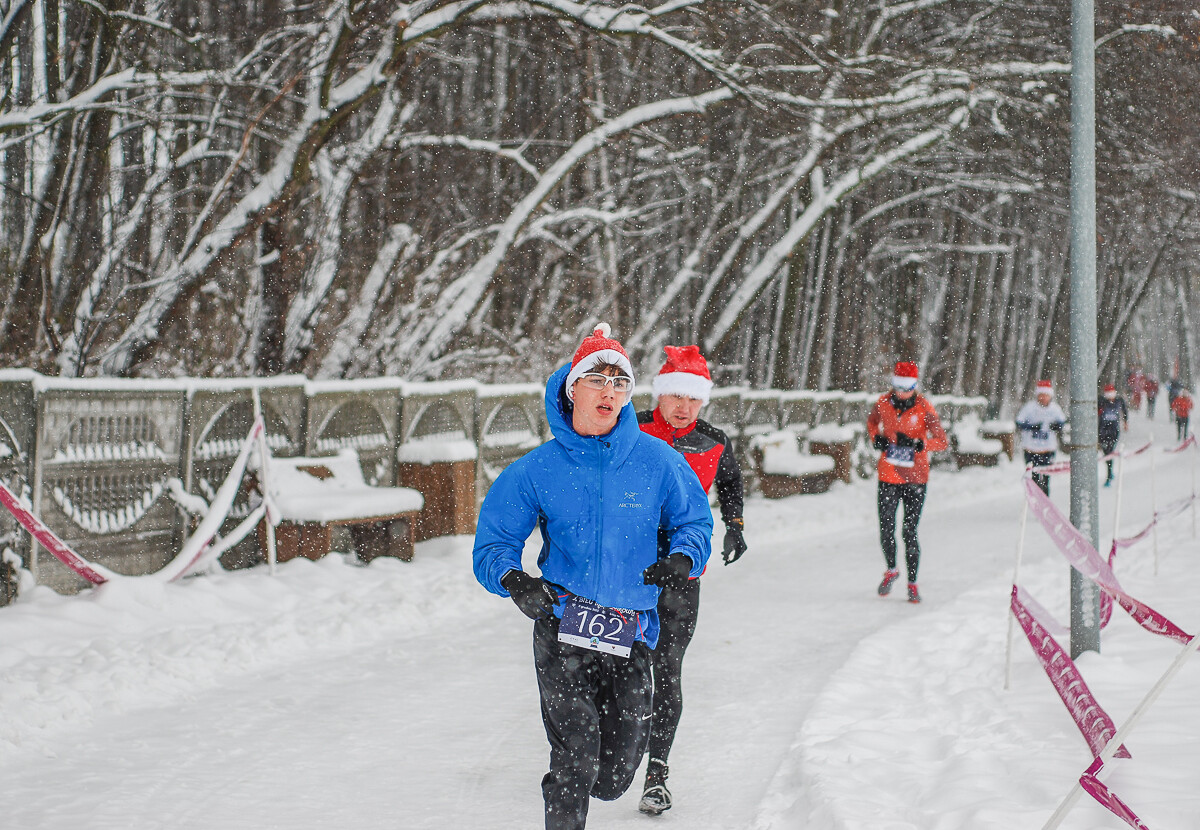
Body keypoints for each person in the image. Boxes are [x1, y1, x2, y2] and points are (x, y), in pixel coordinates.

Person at [472, 324, 713, 830]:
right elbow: (494, 544)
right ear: (572, 388)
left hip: (630, 629)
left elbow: (694, 520)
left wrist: (684, 560)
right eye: (597, 379)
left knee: (614, 775)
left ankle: (603, 777)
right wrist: (516, 582)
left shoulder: (658, 461)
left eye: (619, 382)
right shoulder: (537, 469)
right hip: (563, 629)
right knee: (575, 758)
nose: (609, 391)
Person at [634, 344, 745, 816]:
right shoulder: (631, 427)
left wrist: (736, 525)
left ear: (702, 401)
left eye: (692, 398)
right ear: (660, 395)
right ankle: (609, 753)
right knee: (620, 665)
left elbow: (732, 483)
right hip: (629, 566)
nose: (682, 406)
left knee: (668, 669)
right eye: (675, 395)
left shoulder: (714, 441)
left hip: (683, 568)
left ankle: (657, 773)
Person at [866, 361, 948, 604]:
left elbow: (941, 441)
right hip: (888, 475)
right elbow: (872, 423)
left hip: (915, 477)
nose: (901, 392)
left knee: (909, 531)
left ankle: (913, 583)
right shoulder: (883, 402)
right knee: (886, 529)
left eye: (907, 387)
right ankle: (892, 569)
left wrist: (920, 444)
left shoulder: (924, 407)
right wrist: (877, 439)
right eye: (898, 386)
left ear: (915, 386)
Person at [1014, 380, 1067, 495]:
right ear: (1037, 395)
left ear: (1050, 396)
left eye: (1046, 395)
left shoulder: (1054, 409)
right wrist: (1031, 426)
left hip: (1048, 450)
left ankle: (1046, 501)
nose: (1043, 398)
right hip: (1031, 450)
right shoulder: (1030, 408)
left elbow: (1063, 422)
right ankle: (1036, 501)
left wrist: (1057, 426)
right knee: (1034, 478)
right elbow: (1018, 422)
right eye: (1041, 395)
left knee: (1046, 479)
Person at [1097, 383, 1129, 486]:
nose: (1110, 396)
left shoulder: (1119, 401)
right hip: (1102, 431)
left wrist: (1125, 422)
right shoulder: (1102, 402)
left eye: (1112, 393)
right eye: (1108, 394)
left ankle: (1109, 474)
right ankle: (1110, 472)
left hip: (1114, 431)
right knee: (1106, 453)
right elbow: (1095, 410)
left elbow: (1124, 411)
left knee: (1110, 451)